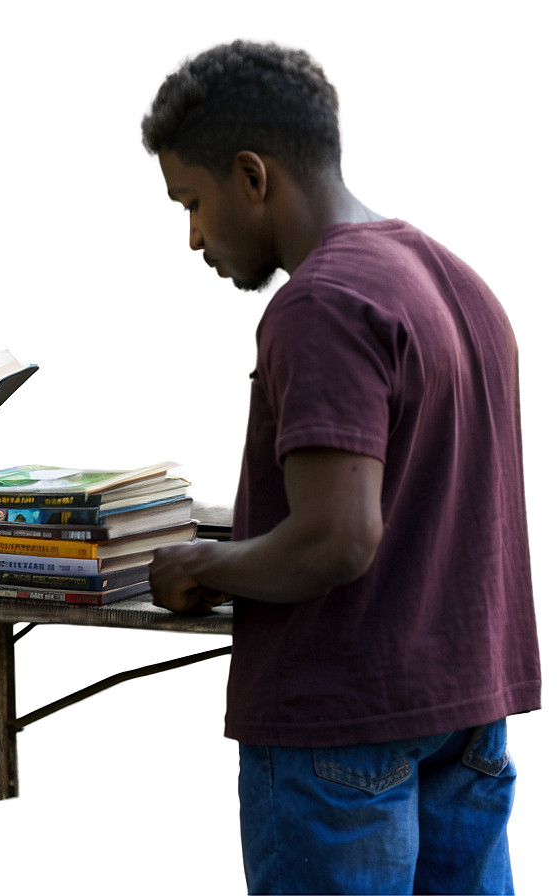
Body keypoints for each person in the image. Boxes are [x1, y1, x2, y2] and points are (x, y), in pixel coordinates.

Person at [140, 39, 541, 894]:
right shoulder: (455, 278)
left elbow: (336, 540)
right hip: (467, 704)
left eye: (192, 201)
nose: (193, 235)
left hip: (341, 719)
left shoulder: (320, 301)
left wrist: (201, 564)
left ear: (252, 175)